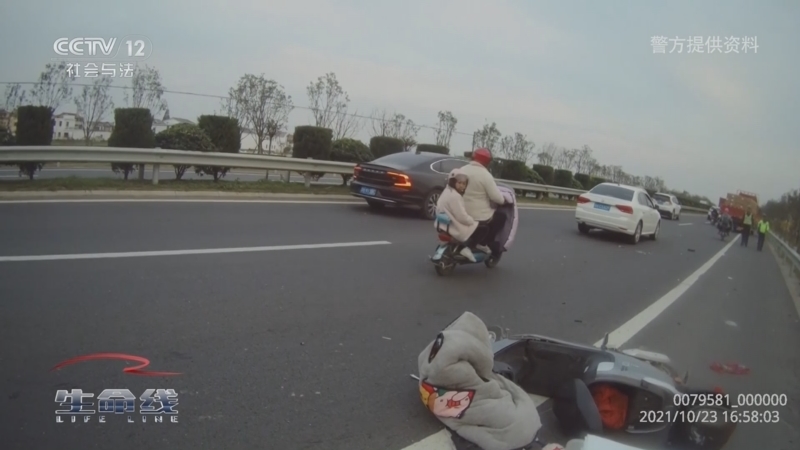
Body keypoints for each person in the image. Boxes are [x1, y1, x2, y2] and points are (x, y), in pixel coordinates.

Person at [459, 148, 507, 255]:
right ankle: (483, 243)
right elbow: (496, 198)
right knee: (501, 217)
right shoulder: (486, 175)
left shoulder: (461, 170)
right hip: (477, 216)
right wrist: (503, 200)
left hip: (458, 211)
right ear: (487, 162)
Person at [434, 169, 480, 262]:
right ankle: (466, 248)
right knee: (478, 226)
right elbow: (462, 217)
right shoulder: (455, 196)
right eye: (459, 183)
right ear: (453, 182)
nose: (462, 186)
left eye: (464, 184)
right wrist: (471, 220)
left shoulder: (446, 191)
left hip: (442, 224)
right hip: (453, 227)